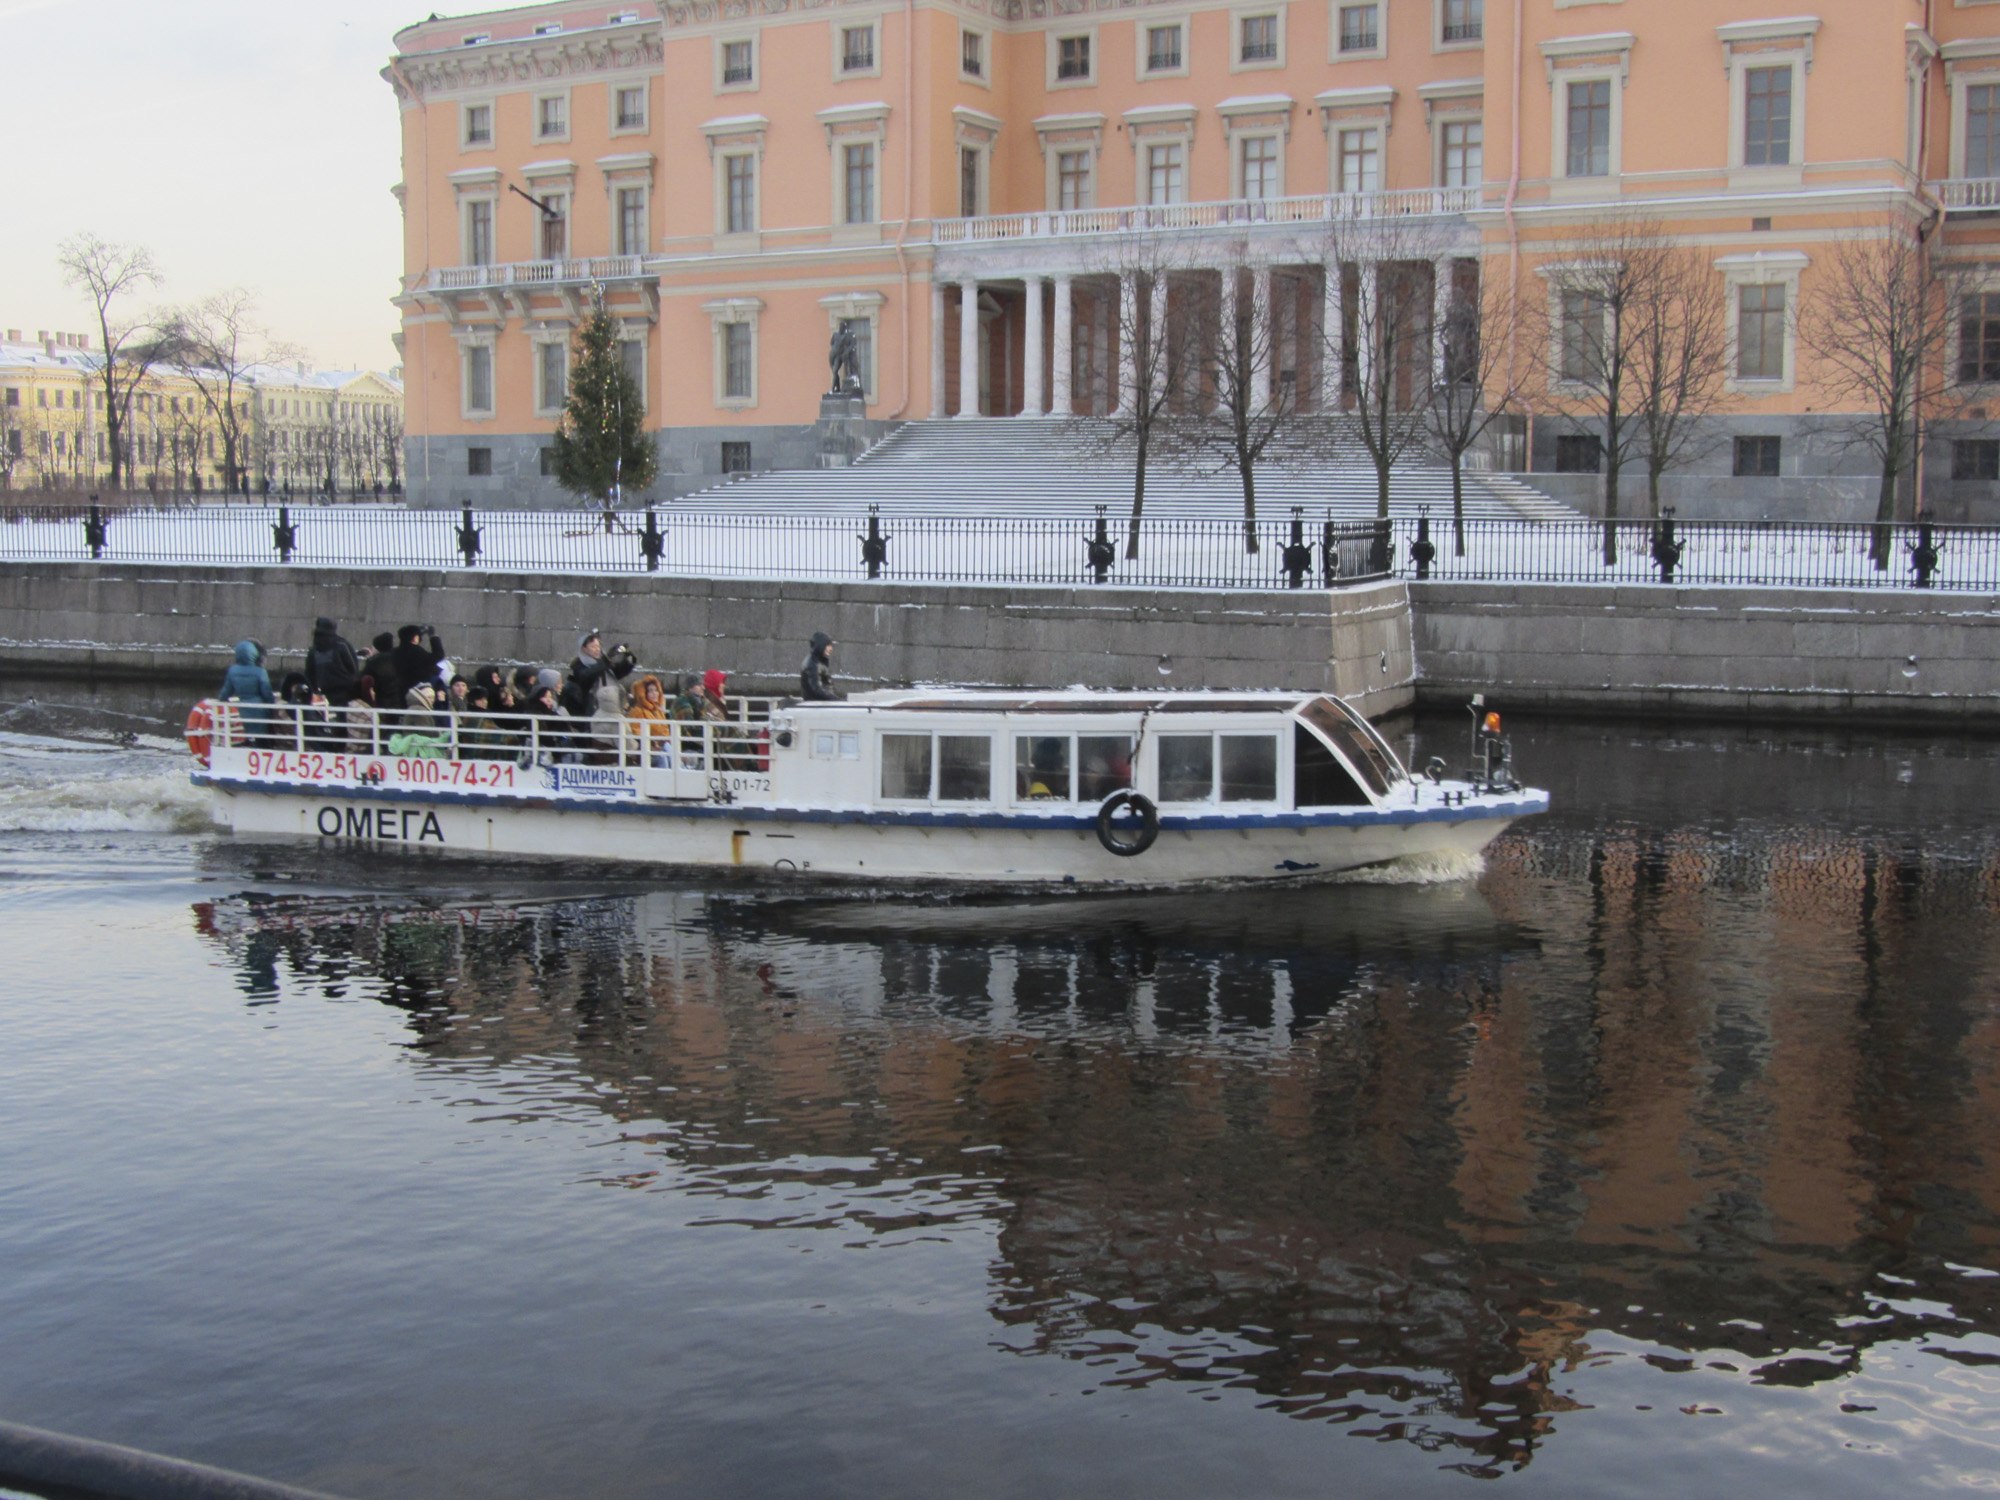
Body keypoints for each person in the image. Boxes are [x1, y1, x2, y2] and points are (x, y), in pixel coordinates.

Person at [560, 630, 636, 718]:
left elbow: (617, 672)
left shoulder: (603, 663)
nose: (597, 649)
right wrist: (606, 658)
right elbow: (587, 676)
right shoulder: (579, 665)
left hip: (611, 705)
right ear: (584, 649)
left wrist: (628, 658)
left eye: (598, 646)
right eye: (593, 646)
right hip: (592, 708)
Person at [218, 640, 274, 747]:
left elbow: (225, 693)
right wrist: (272, 706)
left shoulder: (232, 671)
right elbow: (267, 694)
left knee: (250, 732)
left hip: (244, 709)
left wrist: (222, 700)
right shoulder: (260, 672)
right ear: (254, 654)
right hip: (260, 710)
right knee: (263, 739)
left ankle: (250, 745)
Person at [304, 617, 361, 706]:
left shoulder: (314, 650)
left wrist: (315, 690)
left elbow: (309, 673)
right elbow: (353, 667)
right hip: (346, 689)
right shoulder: (342, 644)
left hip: (325, 690)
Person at [387, 624, 447, 702]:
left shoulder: (394, 652)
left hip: (397, 693)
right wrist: (433, 637)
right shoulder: (417, 651)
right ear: (415, 638)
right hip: (417, 692)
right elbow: (438, 655)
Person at [626, 674, 673, 768]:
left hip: (662, 747)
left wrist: (664, 741)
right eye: (650, 691)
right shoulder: (637, 711)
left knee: (670, 750)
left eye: (656, 690)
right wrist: (654, 743)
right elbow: (637, 734)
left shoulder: (658, 711)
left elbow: (665, 731)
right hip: (647, 749)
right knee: (663, 756)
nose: (655, 693)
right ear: (643, 693)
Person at [800, 632, 843, 701]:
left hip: (820, 705)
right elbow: (816, 690)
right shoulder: (813, 664)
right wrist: (837, 700)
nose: (831, 649)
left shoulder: (818, 662)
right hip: (816, 706)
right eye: (828, 645)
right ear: (821, 645)